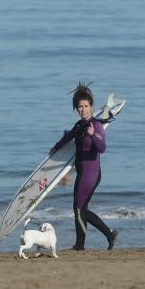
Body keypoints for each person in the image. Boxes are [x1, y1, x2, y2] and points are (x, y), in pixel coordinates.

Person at [49, 83, 118, 251]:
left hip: (91, 172)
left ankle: (81, 244)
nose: (83, 109)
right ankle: (109, 234)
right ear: (76, 108)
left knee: (78, 208)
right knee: (81, 208)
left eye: (86, 106)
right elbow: (69, 137)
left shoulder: (97, 125)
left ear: (91, 107)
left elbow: (102, 148)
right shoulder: (79, 125)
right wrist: (56, 147)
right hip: (81, 171)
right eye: (80, 107)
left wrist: (92, 135)